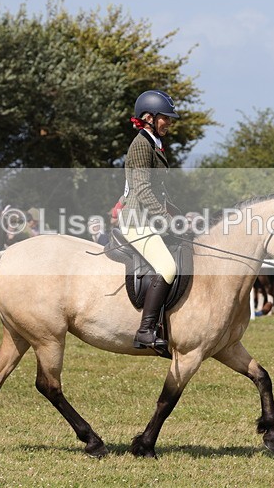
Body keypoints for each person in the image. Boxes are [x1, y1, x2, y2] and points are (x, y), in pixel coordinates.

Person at [121, 89, 179, 350]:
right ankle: (145, 331)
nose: (169, 122)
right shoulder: (141, 144)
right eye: (165, 117)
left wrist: (179, 214)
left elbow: (159, 190)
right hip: (137, 220)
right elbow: (143, 189)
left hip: (148, 218)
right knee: (167, 267)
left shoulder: (153, 142)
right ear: (148, 117)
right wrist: (165, 216)